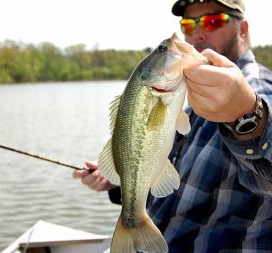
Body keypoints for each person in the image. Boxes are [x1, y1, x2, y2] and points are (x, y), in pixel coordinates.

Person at [74, 0, 272, 251]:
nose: (197, 33)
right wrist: (121, 183)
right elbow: (162, 174)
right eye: (189, 24)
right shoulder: (190, 98)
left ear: (243, 29)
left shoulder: (260, 90)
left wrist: (248, 116)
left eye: (213, 21)